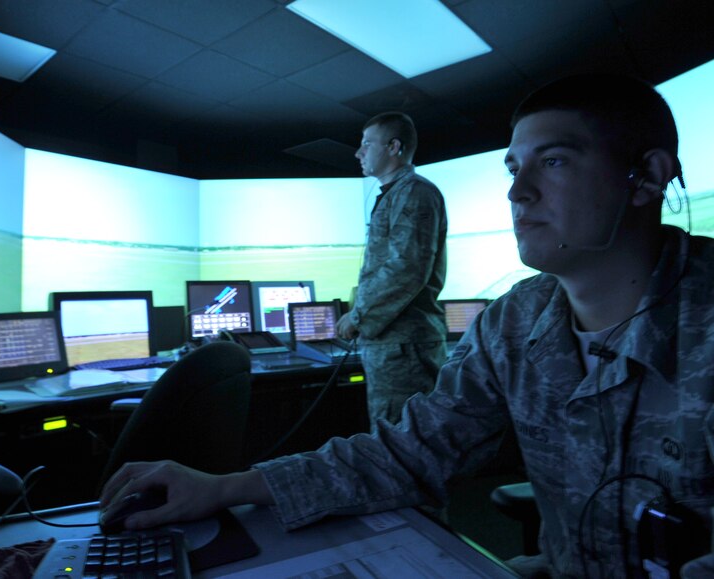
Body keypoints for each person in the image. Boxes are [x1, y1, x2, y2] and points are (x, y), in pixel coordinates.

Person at [100, 74, 714, 577]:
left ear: (648, 176)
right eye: (511, 169)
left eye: (552, 162)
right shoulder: (515, 323)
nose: (517, 193)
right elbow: (406, 452)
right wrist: (226, 487)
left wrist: (358, 318)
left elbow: (403, 274)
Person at [335, 111, 448, 426]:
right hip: (393, 344)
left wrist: (357, 316)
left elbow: (406, 269)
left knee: (403, 443)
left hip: (405, 347)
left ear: (393, 147)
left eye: (367, 144)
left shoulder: (414, 193)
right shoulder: (395, 194)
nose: (359, 152)